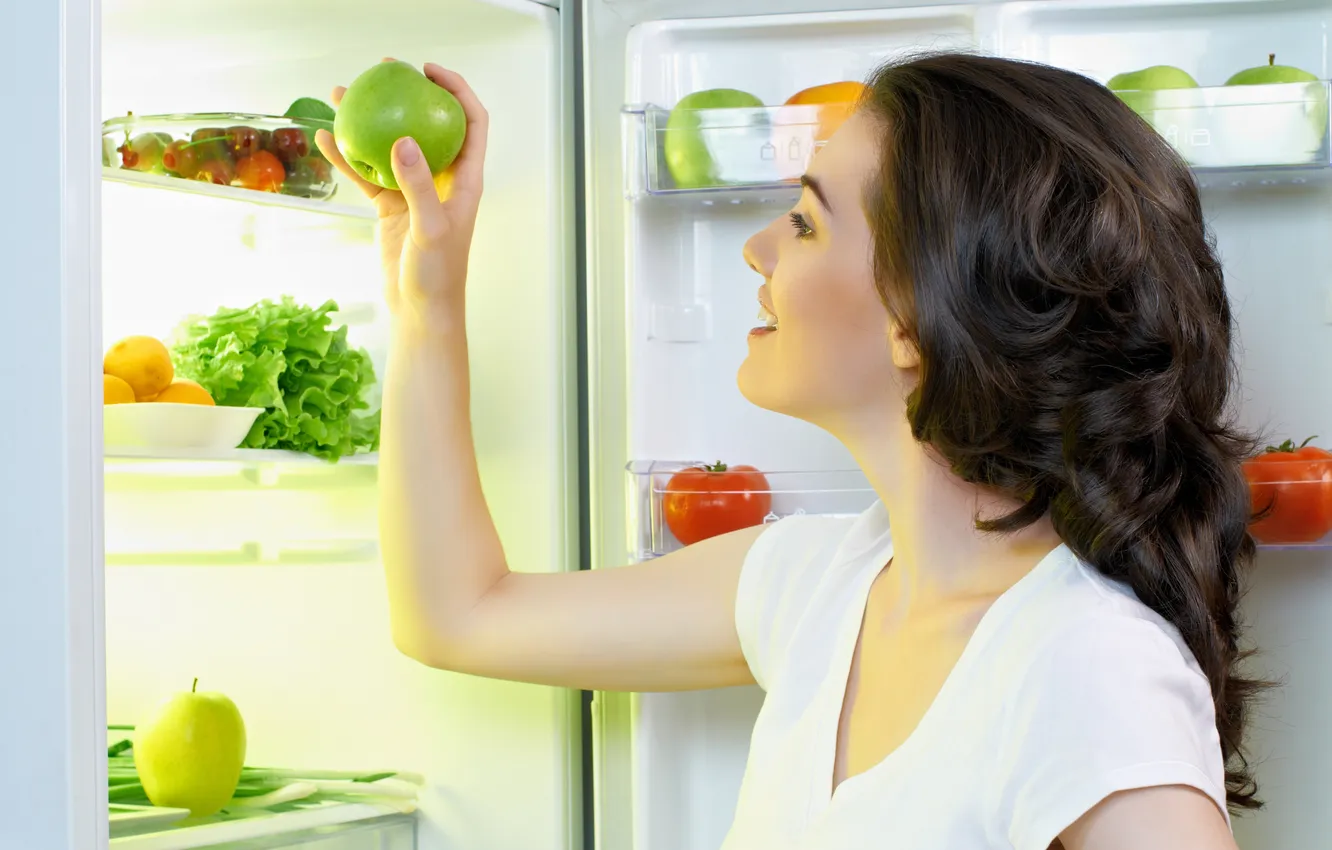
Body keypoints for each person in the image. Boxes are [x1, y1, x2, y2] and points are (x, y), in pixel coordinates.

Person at [315, 52, 1263, 850]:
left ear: (916, 317)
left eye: (806, 222)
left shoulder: (1089, 667)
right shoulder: (820, 587)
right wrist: (425, 302)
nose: (760, 248)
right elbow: (456, 614)